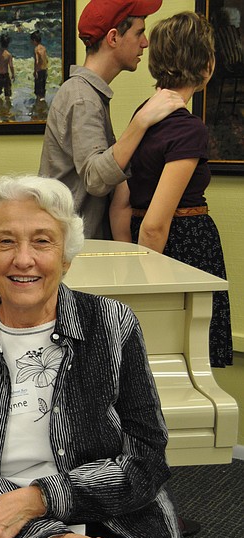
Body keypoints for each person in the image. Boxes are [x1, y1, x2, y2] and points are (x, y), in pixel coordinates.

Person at [0, 175, 181, 538]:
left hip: (108, 514)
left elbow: (146, 455)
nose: (23, 259)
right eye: (6, 241)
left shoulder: (113, 324)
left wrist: (41, 498)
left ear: (66, 256)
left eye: (43, 241)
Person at [113, 11, 232, 368]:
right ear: (207, 65)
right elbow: (154, 225)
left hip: (141, 246)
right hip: (180, 249)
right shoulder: (189, 129)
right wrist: (149, 289)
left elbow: (122, 197)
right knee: (179, 357)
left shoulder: (143, 115)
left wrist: (126, 261)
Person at [39, 0, 186, 240]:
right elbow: (95, 179)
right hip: (73, 251)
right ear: (114, 37)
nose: (145, 43)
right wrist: (141, 121)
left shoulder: (88, 94)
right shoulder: (82, 97)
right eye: (139, 32)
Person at [31, 31, 49, 101]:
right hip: (44, 70)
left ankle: (38, 101)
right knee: (43, 87)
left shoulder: (36, 49)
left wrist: (35, 71)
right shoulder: (43, 48)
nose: (32, 42)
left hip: (39, 70)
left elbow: (37, 61)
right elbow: (46, 60)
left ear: (35, 40)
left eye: (32, 41)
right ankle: (43, 99)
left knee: (38, 88)